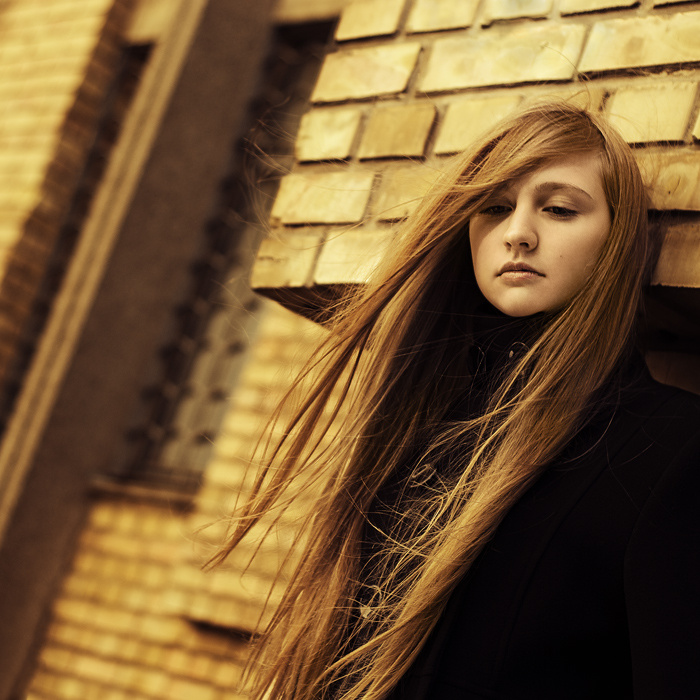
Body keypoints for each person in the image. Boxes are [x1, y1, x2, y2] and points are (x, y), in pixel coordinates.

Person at [216, 101, 700, 699]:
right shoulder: (413, 425)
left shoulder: (672, 449)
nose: (517, 233)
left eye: (558, 209)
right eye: (494, 207)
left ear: (617, 239)